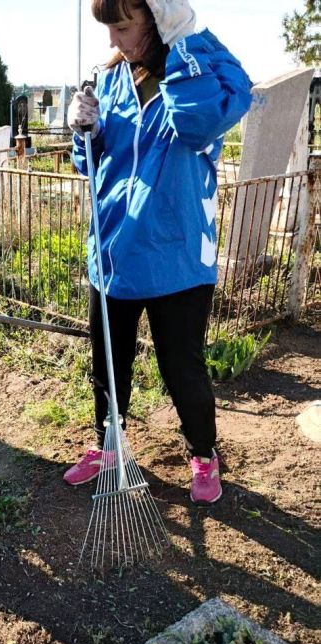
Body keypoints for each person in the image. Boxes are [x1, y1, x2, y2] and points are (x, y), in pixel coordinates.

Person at [64, 0, 252, 504]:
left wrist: (184, 42)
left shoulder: (210, 70)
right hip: (113, 251)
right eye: (107, 28)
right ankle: (110, 445)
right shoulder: (107, 80)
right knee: (108, 361)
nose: (113, 41)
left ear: (159, 18)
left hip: (177, 253)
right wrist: (85, 133)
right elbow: (92, 165)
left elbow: (198, 125)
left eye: (122, 27)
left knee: (181, 366)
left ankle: (204, 454)